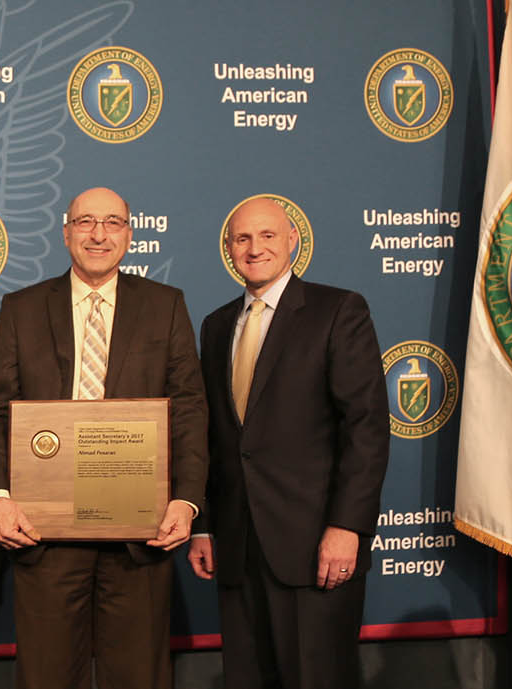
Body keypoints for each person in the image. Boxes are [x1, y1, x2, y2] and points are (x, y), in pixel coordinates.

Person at [0, 186, 208, 689]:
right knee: (46, 678)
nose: (98, 234)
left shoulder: (165, 305)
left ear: (129, 235)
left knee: (138, 678)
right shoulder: (22, 307)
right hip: (44, 532)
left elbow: (189, 411)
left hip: (139, 534)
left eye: (112, 223)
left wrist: (187, 501)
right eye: (85, 222)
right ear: (66, 233)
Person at [186, 197, 388, 689]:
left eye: (268, 236)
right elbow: (214, 437)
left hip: (315, 546)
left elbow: (365, 428)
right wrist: (204, 526)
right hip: (237, 548)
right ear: (229, 248)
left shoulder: (338, 310)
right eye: (242, 239)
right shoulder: (216, 326)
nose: (255, 248)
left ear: (293, 240)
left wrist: (347, 527)